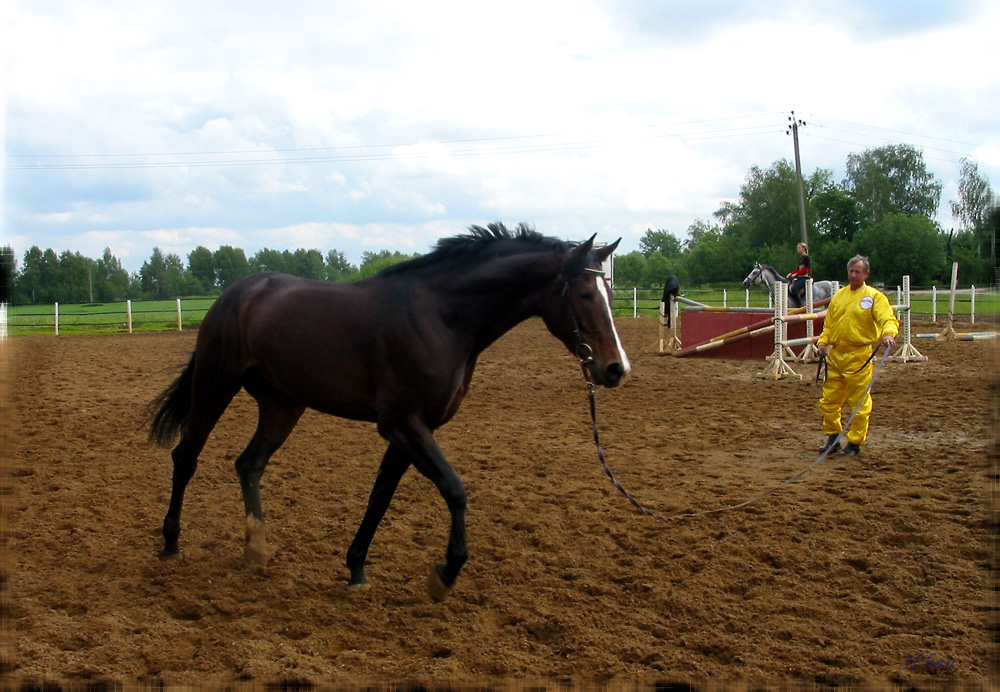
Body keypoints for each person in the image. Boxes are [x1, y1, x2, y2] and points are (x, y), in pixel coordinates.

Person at [816, 255, 898, 456]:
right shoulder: (839, 296)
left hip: (859, 357)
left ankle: (854, 443)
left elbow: (887, 318)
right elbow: (830, 324)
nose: (853, 275)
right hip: (835, 356)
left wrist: (888, 334)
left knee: (859, 402)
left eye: (857, 272)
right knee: (829, 401)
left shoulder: (875, 297)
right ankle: (833, 437)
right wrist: (823, 342)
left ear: (866, 274)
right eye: (851, 271)